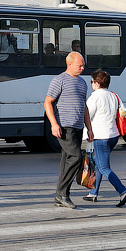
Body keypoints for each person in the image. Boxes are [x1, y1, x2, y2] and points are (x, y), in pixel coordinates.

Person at [44, 51, 94, 208]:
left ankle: (60, 196)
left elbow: (84, 106)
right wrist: (53, 123)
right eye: (80, 65)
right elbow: (47, 102)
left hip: (78, 127)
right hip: (64, 126)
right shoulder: (59, 80)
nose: (82, 68)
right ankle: (62, 194)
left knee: (67, 161)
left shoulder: (82, 82)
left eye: (83, 65)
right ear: (70, 64)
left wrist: (89, 128)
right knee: (76, 157)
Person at [83, 70, 126, 207]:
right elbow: (123, 111)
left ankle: (123, 191)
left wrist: (86, 133)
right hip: (113, 135)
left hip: (100, 136)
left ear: (97, 84)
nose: (92, 84)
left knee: (104, 167)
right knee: (100, 164)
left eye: (92, 82)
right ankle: (93, 193)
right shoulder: (114, 96)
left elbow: (87, 116)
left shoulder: (94, 97)